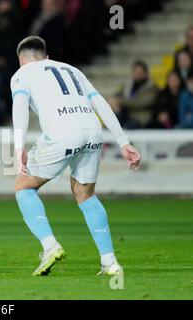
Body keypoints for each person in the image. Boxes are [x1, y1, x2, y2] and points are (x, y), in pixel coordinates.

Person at [11, 36, 141, 276]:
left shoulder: (22, 74)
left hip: (62, 132)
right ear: (46, 56)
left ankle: (50, 246)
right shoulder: (72, 69)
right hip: (93, 131)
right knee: (86, 194)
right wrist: (123, 142)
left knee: (23, 185)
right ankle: (110, 262)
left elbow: (19, 107)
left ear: (21, 61)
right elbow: (99, 102)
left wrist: (19, 146)